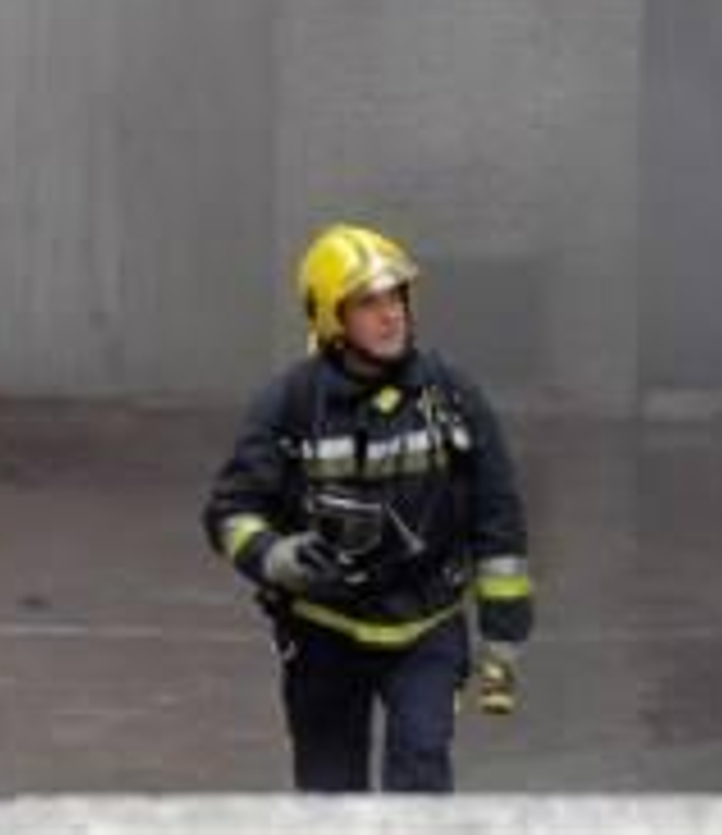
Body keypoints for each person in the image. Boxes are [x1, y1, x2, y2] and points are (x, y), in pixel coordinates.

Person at [203, 223, 533, 793]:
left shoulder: (450, 395)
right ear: (331, 318)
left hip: (427, 629)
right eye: (368, 304)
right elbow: (231, 510)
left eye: (396, 298)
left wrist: (502, 638)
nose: (391, 315)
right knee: (330, 793)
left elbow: (497, 516)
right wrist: (278, 558)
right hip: (324, 636)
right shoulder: (291, 404)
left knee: (421, 771)